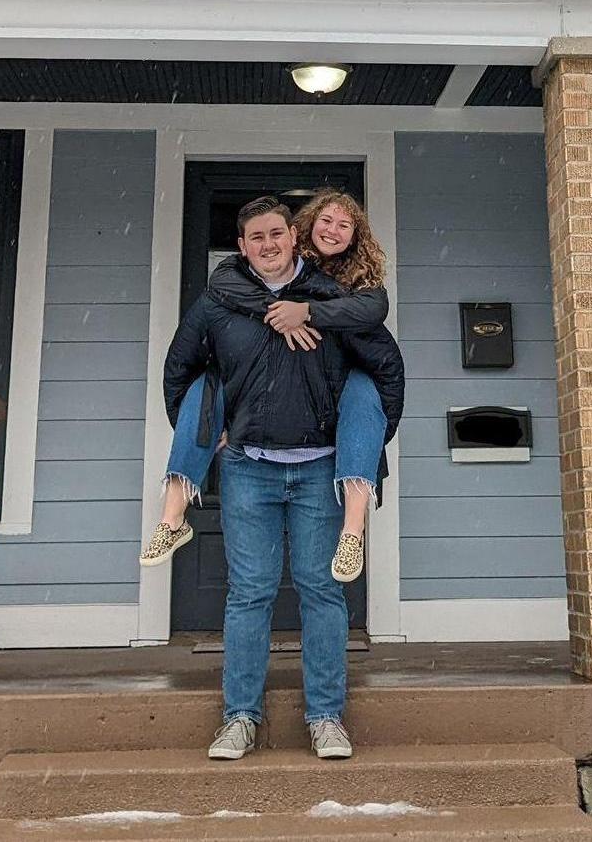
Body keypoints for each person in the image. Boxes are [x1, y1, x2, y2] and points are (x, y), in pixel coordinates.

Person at [159, 195, 404, 761]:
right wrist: (207, 434)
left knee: (323, 591)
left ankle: (325, 718)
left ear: (293, 237)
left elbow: (384, 365)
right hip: (250, 469)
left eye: (276, 234)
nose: (268, 245)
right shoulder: (219, 302)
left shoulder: (330, 296)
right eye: (256, 238)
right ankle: (240, 717)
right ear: (242, 247)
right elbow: (181, 367)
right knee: (250, 594)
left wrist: (366, 442)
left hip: (319, 467)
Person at [142, 189, 397, 583]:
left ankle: (353, 530)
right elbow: (216, 299)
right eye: (325, 222)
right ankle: (173, 514)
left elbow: (377, 324)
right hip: (250, 449)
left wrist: (309, 311)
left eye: (344, 225)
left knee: (365, 389)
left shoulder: (355, 282)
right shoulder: (237, 280)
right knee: (205, 383)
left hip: (322, 437)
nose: (332, 231)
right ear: (305, 230)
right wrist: (277, 311)